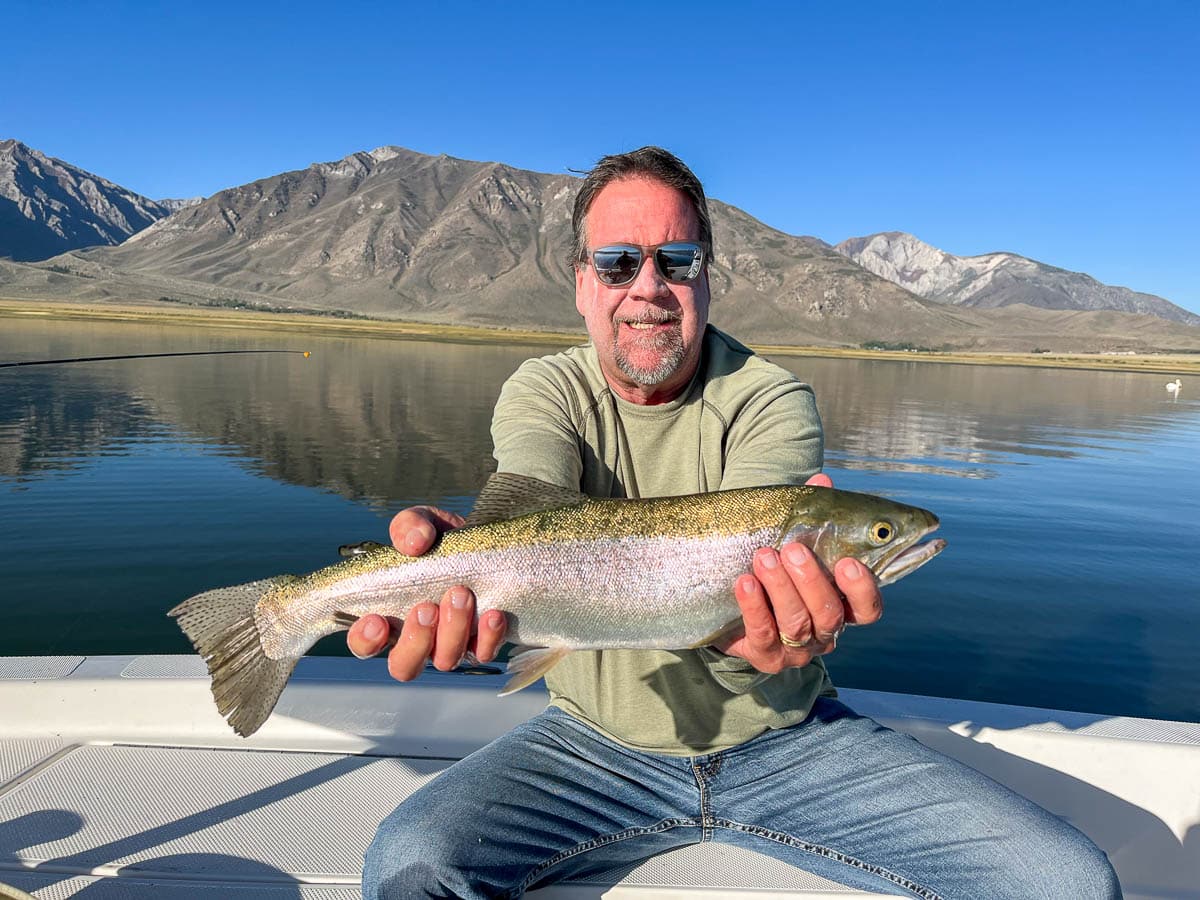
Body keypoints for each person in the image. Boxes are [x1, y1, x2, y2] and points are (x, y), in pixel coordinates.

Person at [350, 147, 1121, 898]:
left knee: (1067, 884)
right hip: (587, 750)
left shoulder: (771, 398)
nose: (647, 288)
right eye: (618, 262)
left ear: (706, 279)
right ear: (584, 285)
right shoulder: (544, 390)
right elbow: (535, 510)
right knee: (410, 866)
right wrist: (452, 565)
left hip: (783, 741)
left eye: (676, 261)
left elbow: (754, 622)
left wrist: (758, 644)